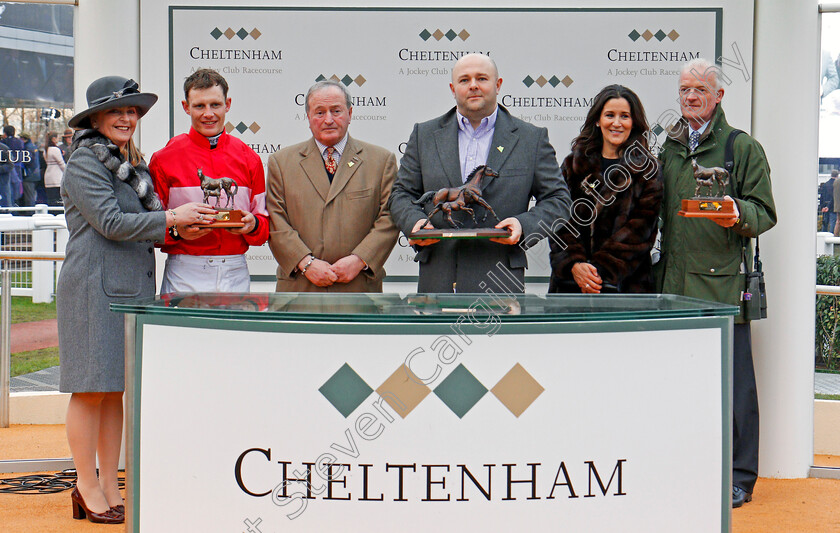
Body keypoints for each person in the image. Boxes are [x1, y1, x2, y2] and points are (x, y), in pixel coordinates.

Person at [57, 76, 214, 525]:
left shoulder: (130, 162)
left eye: (132, 111)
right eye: (117, 111)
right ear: (95, 119)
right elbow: (110, 221)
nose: (127, 118)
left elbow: (143, 223)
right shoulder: (85, 161)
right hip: (92, 290)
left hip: (127, 290)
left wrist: (182, 227)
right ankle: (86, 486)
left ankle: (109, 483)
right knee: (89, 390)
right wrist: (171, 217)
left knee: (114, 392)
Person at [655, 58, 777, 508]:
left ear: (719, 95)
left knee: (735, 386)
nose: (691, 97)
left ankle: (740, 476)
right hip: (670, 286)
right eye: (685, 89)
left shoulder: (740, 147)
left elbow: (765, 212)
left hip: (723, 290)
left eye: (700, 90)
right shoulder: (665, 148)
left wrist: (737, 214)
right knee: (680, 385)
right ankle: (687, 467)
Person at [388, 53, 571, 293]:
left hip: (500, 282)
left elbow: (558, 200)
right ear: (453, 89)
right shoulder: (424, 135)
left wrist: (522, 225)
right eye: (464, 80)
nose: (473, 85)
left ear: (498, 85)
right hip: (438, 281)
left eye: (482, 78)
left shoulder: (531, 139)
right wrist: (416, 222)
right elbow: (401, 194)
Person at [266, 80, 398, 291]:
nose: (328, 119)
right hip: (300, 289)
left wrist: (359, 259)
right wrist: (306, 263)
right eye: (319, 112)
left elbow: (389, 218)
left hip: (359, 289)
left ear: (350, 113)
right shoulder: (281, 163)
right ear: (308, 117)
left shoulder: (381, 161)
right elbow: (275, 220)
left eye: (336, 111)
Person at [149, 68, 268, 293]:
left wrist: (252, 225)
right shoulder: (163, 159)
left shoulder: (249, 158)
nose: (208, 113)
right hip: (184, 271)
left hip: (234, 270)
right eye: (199, 106)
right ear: (186, 107)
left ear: (228, 104)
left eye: (215, 105)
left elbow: (263, 228)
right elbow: (148, 227)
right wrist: (177, 232)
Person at [548, 85, 662, 294]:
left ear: (633, 122)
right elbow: (558, 222)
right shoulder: (572, 165)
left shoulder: (648, 170)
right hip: (571, 288)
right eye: (610, 115)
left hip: (625, 288)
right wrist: (574, 265)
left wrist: (597, 273)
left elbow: (641, 229)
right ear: (598, 121)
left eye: (624, 116)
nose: (617, 123)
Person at [1, 125, 24, 206]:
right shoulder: (19, 142)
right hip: (18, 168)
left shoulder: (4, 144)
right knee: (14, 191)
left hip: (8, 172)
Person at [44, 131, 66, 206]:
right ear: (54, 139)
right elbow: (61, 163)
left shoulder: (46, 150)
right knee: (58, 200)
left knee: (51, 199)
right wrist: (68, 172)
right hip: (57, 177)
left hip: (48, 176)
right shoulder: (55, 150)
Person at [19, 133, 41, 208]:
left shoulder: (27, 149)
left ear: (24, 139)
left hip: (29, 176)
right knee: (31, 195)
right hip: (35, 175)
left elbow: (28, 162)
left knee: (29, 197)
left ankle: (30, 213)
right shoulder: (33, 146)